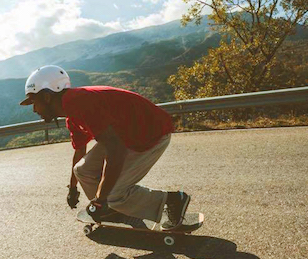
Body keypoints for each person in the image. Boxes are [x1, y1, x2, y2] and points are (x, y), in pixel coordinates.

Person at [20, 65, 190, 228]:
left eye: (34, 102)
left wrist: (101, 198)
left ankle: (172, 200)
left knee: (115, 193)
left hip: (150, 134)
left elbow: (116, 151)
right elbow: (80, 151)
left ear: (47, 97)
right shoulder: (71, 114)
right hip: (123, 136)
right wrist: (72, 188)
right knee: (82, 170)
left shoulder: (80, 102)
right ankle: (111, 209)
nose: (34, 109)